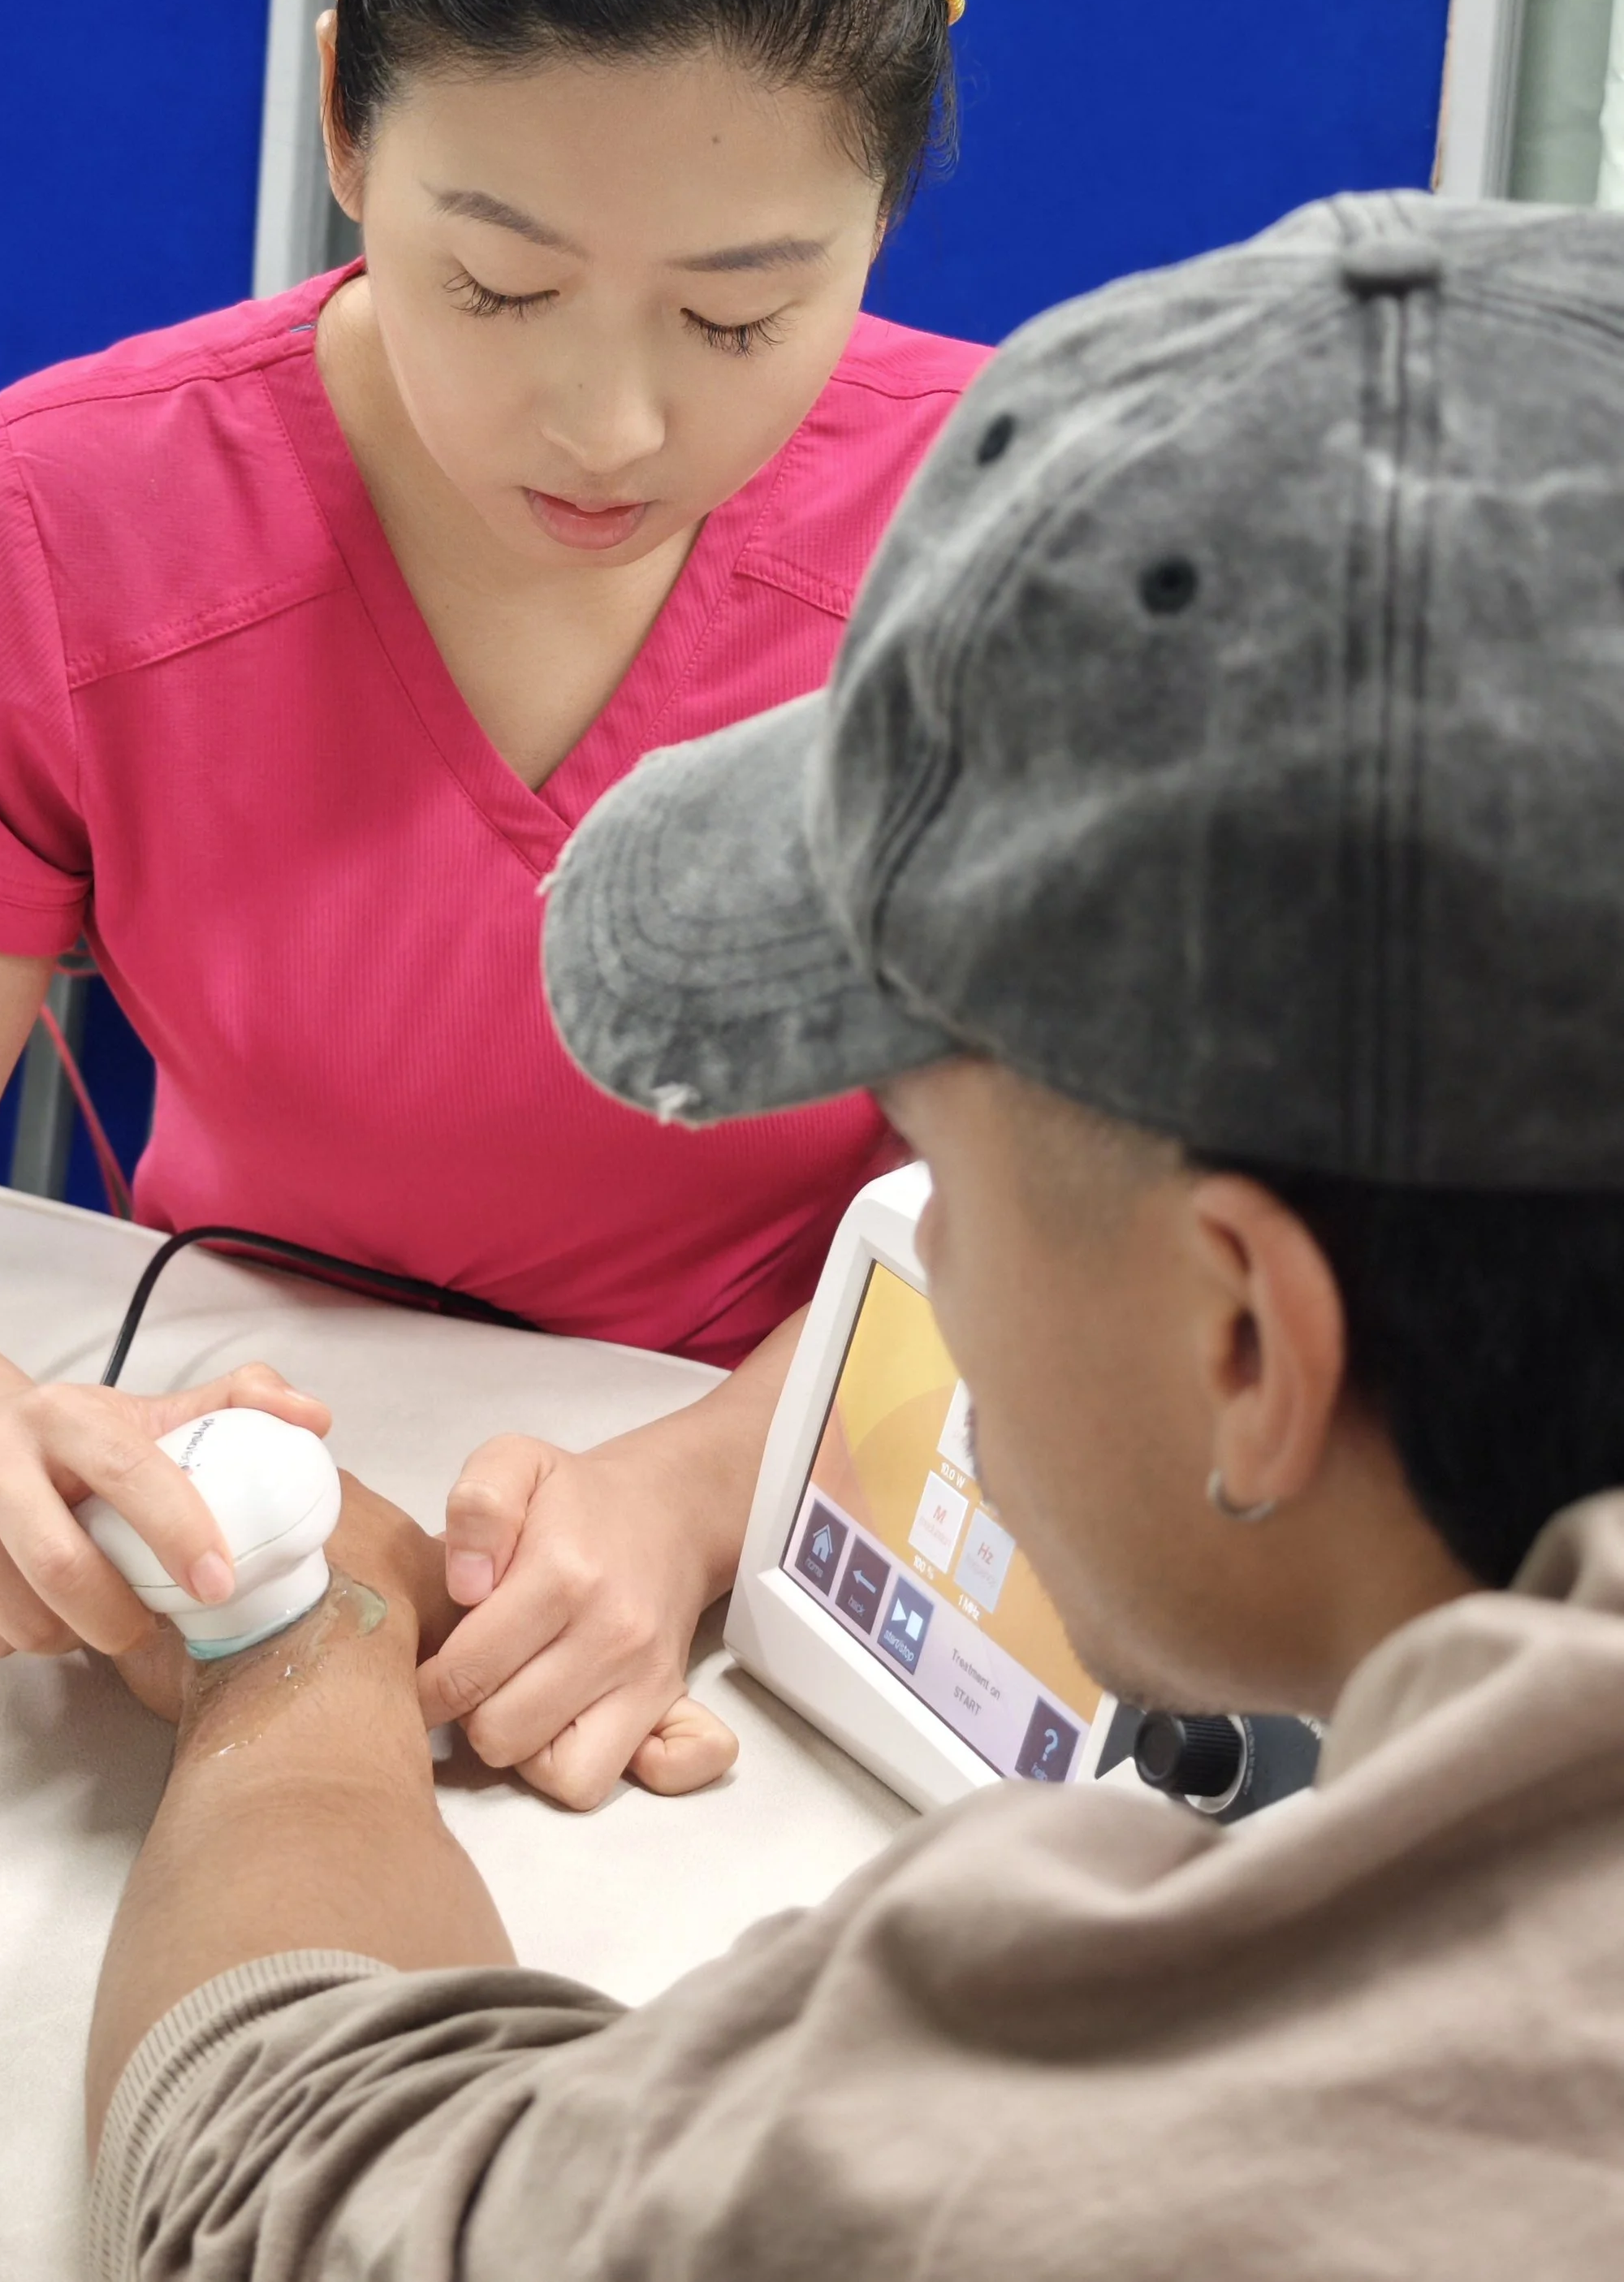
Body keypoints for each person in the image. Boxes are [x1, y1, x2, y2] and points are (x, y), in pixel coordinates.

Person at [80, 192, 1624, 2278]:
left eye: (924, 1150)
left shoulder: (1113, 2119)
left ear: (1247, 1341)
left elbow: (305, 2189)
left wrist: (299, 1644)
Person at [0, 0, 991, 1807]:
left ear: (882, 210)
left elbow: (1103, 1235)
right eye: (496, 280)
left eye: (733, 318)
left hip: (814, 1550)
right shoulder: (74, 517)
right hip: (241, 1462)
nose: (601, 422)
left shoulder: (1014, 548)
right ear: (342, 122)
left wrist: (694, 1491)